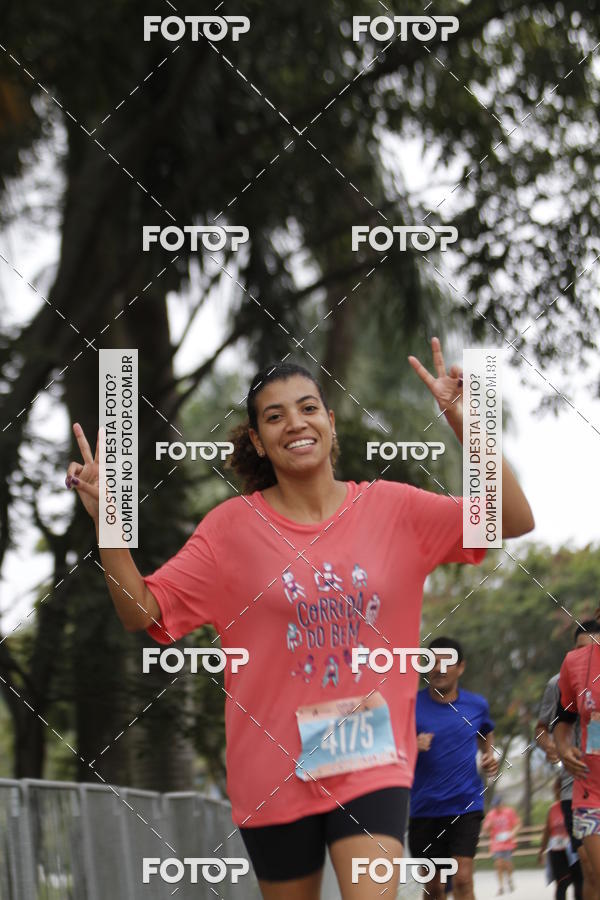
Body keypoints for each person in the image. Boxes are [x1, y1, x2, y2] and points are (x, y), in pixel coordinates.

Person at [65, 338, 534, 899]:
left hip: (371, 760)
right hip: (271, 771)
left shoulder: (395, 509)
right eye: (275, 416)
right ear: (258, 442)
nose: (295, 422)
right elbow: (141, 610)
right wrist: (109, 522)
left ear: (331, 423)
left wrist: (467, 422)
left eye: (308, 407)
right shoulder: (228, 531)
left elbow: (511, 518)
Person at [408, 637, 499, 900]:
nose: (439, 669)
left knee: (462, 879)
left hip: (465, 805)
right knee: (434, 888)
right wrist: (411, 745)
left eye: (446, 663)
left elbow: (485, 731)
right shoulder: (411, 706)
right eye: (433, 662)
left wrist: (488, 756)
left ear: (461, 668)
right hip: (424, 808)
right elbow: (393, 749)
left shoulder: (476, 705)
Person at [536, 620, 600, 900]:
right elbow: (557, 722)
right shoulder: (571, 669)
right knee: (589, 867)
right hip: (586, 785)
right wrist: (559, 748)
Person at [555, 623, 600, 900]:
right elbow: (564, 718)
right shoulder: (576, 662)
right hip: (591, 790)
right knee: (593, 873)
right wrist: (561, 746)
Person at [538, 778, 579, 900]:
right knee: (562, 883)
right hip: (557, 851)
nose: (559, 793)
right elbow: (547, 832)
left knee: (579, 882)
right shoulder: (553, 809)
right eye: (556, 790)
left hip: (574, 851)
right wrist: (542, 850)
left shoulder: (575, 807)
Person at [482, 796, 520, 895]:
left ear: (501, 804)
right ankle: (501, 886)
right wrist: (488, 826)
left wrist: (513, 833)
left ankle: (510, 879)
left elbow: (517, 824)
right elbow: (485, 831)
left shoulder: (509, 812)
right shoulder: (490, 815)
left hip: (508, 842)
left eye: (497, 805)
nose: (496, 807)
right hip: (496, 843)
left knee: (507, 864)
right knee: (498, 864)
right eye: (494, 806)